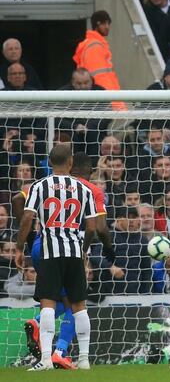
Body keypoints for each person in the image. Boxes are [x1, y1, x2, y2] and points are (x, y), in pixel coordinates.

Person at [14, 144, 100, 370]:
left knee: (48, 304)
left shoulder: (39, 186)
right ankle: (84, 359)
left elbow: (27, 218)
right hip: (74, 250)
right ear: (71, 162)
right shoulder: (85, 189)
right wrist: (83, 249)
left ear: (50, 163)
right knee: (79, 305)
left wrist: (19, 247)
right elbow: (92, 227)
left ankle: (45, 359)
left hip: (50, 250)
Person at [73, 11, 121, 92]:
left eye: (108, 23)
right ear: (96, 25)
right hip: (105, 99)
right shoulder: (95, 46)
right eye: (104, 24)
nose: (107, 27)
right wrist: (113, 101)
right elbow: (100, 78)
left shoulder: (93, 44)